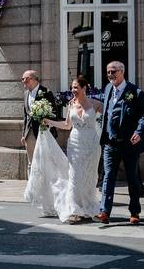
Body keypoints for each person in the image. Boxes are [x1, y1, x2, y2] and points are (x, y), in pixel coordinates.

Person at [25, 75, 104, 223]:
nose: (73, 90)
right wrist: (49, 122)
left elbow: (108, 119)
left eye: (76, 87)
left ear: (84, 88)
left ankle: (86, 205)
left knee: (89, 177)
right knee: (74, 176)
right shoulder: (71, 105)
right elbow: (67, 125)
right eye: (72, 87)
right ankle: (74, 210)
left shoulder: (97, 104)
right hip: (75, 144)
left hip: (92, 145)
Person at [97, 61, 144, 225]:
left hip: (129, 144)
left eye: (113, 71)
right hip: (110, 143)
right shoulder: (107, 89)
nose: (110, 75)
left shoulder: (135, 92)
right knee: (108, 176)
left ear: (122, 72)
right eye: (108, 72)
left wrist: (139, 132)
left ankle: (134, 212)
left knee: (132, 178)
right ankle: (104, 211)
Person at [20, 70, 60, 169]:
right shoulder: (26, 94)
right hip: (29, 134)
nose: (23, 81)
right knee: (31, 163)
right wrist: (23, 134)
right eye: (22, 79)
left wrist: (44, 119)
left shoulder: (46, 92)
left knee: (44, 163)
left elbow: (54, 113)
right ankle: (31, 184)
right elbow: (25, 116)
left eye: (25, 79)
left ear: (34, 79)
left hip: (43, 133)